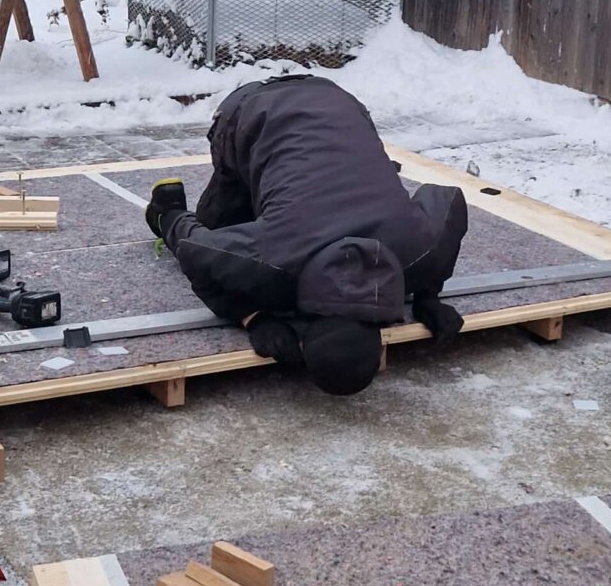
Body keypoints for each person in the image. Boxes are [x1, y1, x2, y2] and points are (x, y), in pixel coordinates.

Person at [144, 74, 468, 395]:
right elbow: (194, 248)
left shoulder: (422, 252)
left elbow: (450, 199)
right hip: (250, 111)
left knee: (244, 229)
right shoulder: (274, 258)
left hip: (337, 101)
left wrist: (427, 291)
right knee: (214, 229)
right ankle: (162, 209)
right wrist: (252, 317)